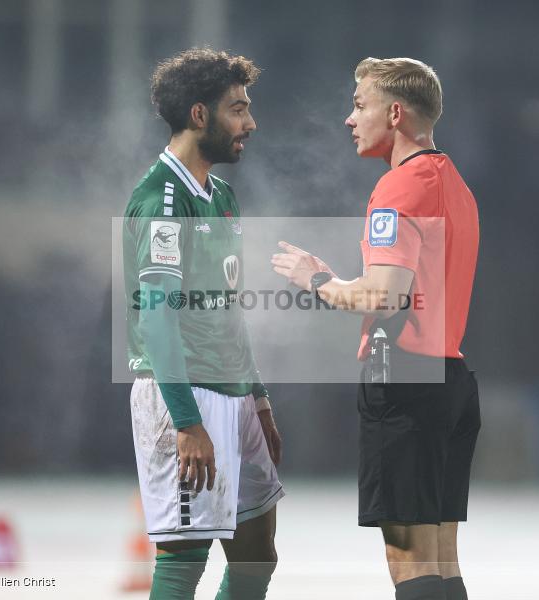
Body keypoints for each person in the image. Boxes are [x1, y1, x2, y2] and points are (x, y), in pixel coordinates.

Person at [272, 57, 480, 600]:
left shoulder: (400, 187)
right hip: (451, 376)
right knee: (442, 560)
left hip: (404, 378)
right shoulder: (454, 184)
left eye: (359, 105)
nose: (349, 118)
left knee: (408, 560)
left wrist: (315, 277)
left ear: (394, 112)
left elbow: (383, 294)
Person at [123, 48, 283, 600]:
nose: (250, 123)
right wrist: (188, 423)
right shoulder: (162, 201)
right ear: (199, 116)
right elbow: (158, 319)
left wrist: (257, 396)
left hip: (232, 395)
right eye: (237, 109)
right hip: (185, 395)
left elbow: (227, 306)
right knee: (184, 559)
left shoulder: (221, 196)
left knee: (257, 554)